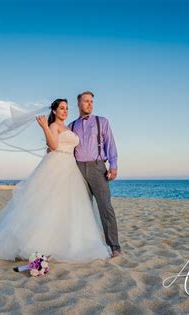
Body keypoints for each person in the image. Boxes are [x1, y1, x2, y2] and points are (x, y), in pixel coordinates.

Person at [0, 98, 111, 263]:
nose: (65, 111)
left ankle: (65, 241)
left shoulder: (68, 127)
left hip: (70, 166)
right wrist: (45, 127)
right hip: (57, 163)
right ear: (54, 111)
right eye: (61, 108)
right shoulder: (53, 125)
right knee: (49, 204)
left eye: (66, 108)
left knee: (66, 205)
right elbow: (53, 145)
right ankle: (37, 243)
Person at [68, 91, 122, 258]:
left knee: (105, 207)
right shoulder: (71, 126)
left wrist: (113, 165)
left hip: (98, 168)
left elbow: (110, 144)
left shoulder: (102, 122)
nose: (90, 104)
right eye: (86, 101)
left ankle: (114, 247)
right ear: (78, 104)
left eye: (91, 101)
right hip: (76, 169)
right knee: (82, 209)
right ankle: (84, 245)